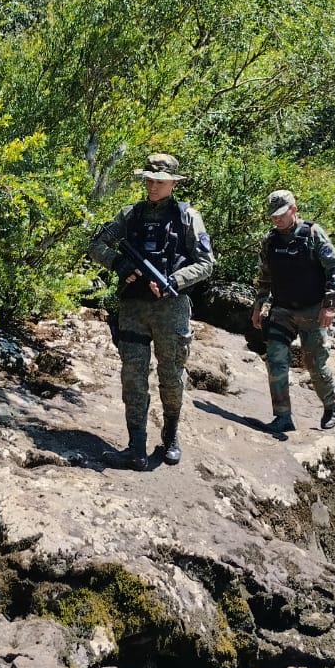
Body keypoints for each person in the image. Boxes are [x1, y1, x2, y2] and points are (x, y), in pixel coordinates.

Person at [88, 152, 214, 469]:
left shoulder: (187, 217)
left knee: (171, 378)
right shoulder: (130, 214)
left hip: (171, 309)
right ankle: (135, 446)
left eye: (159, 181)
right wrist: (120, 264)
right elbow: (96, 246)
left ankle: (170, 436)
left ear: (173, 183)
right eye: (149, 179)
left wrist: (174, 281)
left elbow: (206, 264)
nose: (153, 185)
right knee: (133, 378)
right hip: (133, 307)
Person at [250, 189, 335, 434]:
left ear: (293, 209)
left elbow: (334, 270)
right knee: (276, 359)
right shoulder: (270, 241)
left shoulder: (313, 234)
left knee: (315, 364)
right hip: (282, 310)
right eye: (273, 216)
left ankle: (331, 405)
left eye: (281, 214)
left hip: (313, 310)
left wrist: (330, 305)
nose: (276, 219)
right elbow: (265, 277)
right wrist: (259, 305)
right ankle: (282, 416)